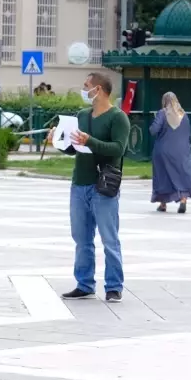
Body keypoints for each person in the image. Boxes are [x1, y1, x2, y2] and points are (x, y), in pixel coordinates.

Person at [57, 72, 130, 303]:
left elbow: (118, 149)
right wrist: (59, 142)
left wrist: (90, 141)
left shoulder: (118, 118)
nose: (84, 89)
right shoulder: (82, 115)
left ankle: (114, 286)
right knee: (81, 238)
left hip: (104, 185)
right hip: (80, 183)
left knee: (109, 238)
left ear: (98, 90)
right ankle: (84, 284)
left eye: (87, 86)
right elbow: (74, 147)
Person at [150, 91, 191, 213]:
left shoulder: (162, 113)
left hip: (163, 150)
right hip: (182, 151)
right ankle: (183, 200)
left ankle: (163, 204)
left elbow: (154, 130)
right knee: (182, 175)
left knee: (162, 175)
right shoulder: (184, 115)